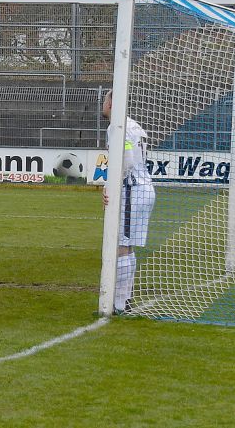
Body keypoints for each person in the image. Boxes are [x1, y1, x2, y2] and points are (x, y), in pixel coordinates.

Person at [102, 90, 155, 314]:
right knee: (127, 245)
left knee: (120, 245)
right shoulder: (133, 125)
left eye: (105, 100)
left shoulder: (118, 127)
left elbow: (127, 159)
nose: (102, 105)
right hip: (144, 189)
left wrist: (111, 185)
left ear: (113, 103)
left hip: (131, 191)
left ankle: (119, 304)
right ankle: (125, 298)